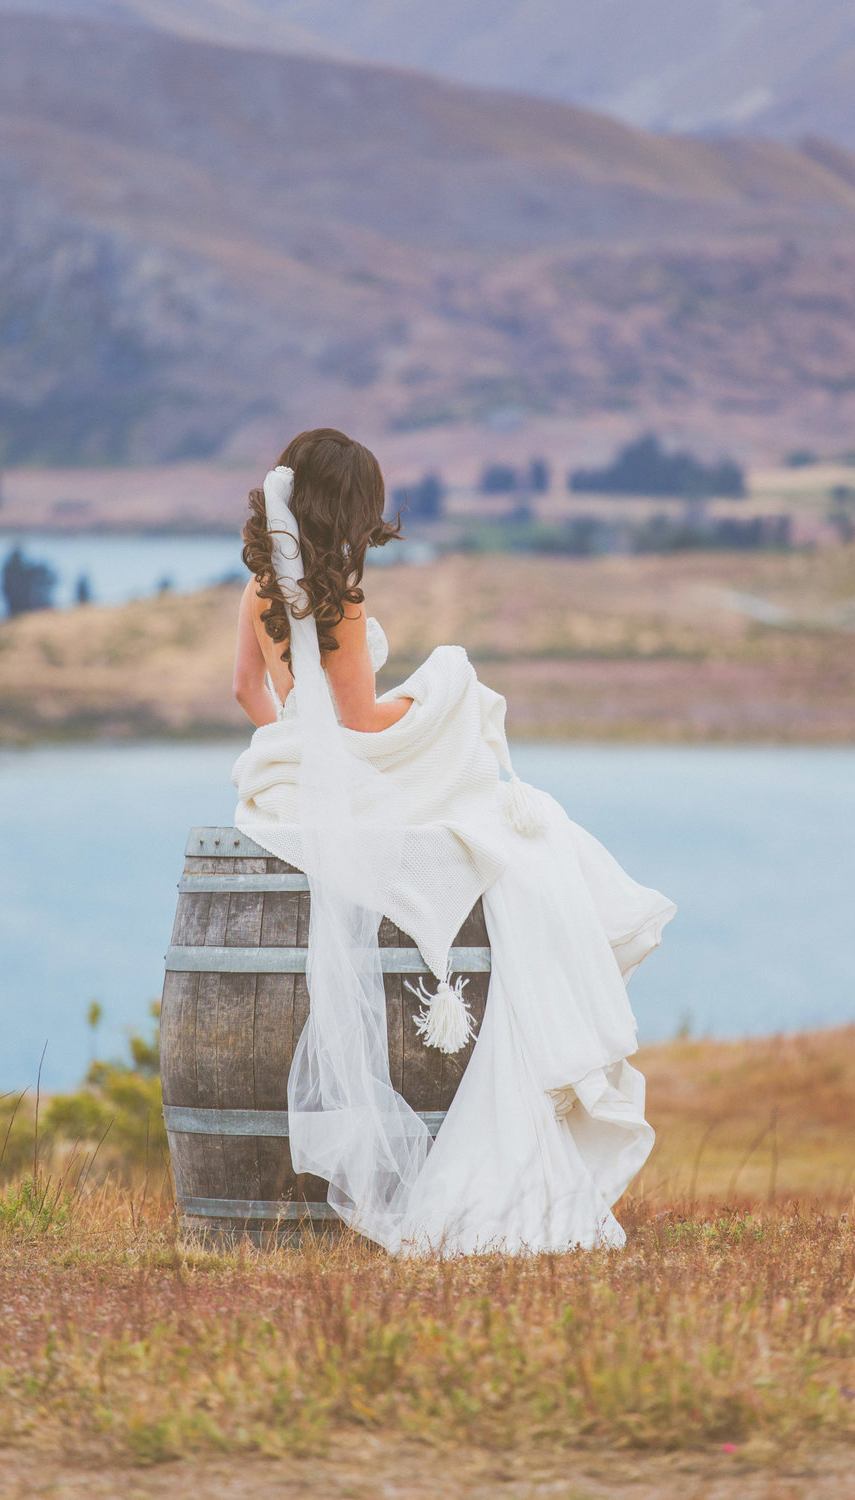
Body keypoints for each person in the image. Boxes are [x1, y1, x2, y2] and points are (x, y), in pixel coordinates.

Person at [231, 427, 676, 1255]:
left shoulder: (260, 588)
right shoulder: (344, 604)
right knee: (477, 721)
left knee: (508, 797)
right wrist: (432, 704)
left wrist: (297, 744)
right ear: (346, 508)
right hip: (360, 762)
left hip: (301, 764)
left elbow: (247, 688)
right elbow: (363, 719)